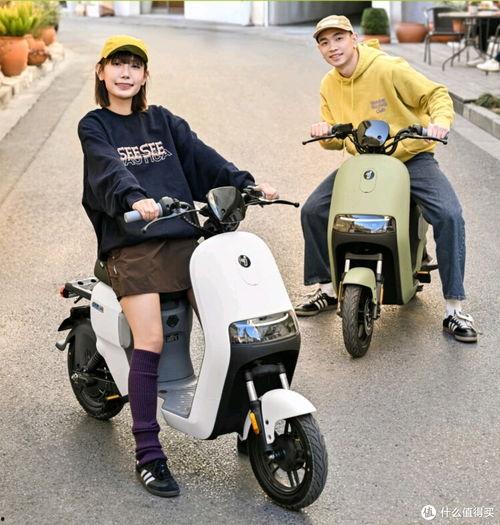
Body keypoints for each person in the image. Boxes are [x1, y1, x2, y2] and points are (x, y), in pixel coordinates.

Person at [78, 35, 278, 498]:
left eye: (134, 66)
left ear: (145, 75)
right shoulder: (95, 125)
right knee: (149, 340)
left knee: (234, 325)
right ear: (101, 72)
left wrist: (245, 184)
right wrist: (135, 198)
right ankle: (148, 453)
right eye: (117, 64)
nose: (125, 73)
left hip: (185, 239)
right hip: (132, 246)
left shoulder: (163, 121)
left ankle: (250, 415)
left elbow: (203, 158)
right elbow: (107, 170)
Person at [295, 15, 477, 344]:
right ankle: (327, 289)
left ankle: (454, 308)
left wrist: (439, 122)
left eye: (338, 38)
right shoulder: (328, 84)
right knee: (313, 210)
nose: (332, 47)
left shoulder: (388, 68)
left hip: (410, 158)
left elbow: (436, 95)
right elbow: (335, 138)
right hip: (364, 160)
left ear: (353, 39)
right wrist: (324, 132)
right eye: (324, 42)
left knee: (449, 214)